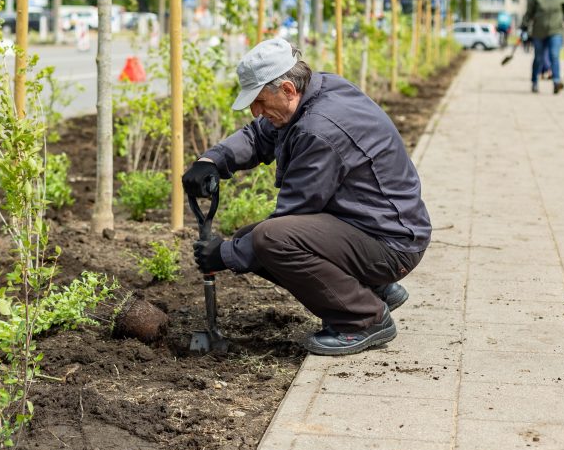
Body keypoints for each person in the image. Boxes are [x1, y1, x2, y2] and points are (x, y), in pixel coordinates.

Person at [181, 38, 431, 356]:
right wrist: (212, 161)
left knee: (270, 239)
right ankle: (373, 289)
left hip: (392, 244)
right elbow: (259, 135)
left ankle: (365, 318)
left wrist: (223, 255)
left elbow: (291, 215)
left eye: (259, 101)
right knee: (254, 238)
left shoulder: (319, 130)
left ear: (287, 88)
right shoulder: (315, 90)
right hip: (375, 226)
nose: (256, 112)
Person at [520, 0, 564, 94]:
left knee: (554, 55)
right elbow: (529, 11)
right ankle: (534, 82)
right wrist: (524, 25)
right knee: (538, 58)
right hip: (539, 31)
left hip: (556, 30)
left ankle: (556, 81)